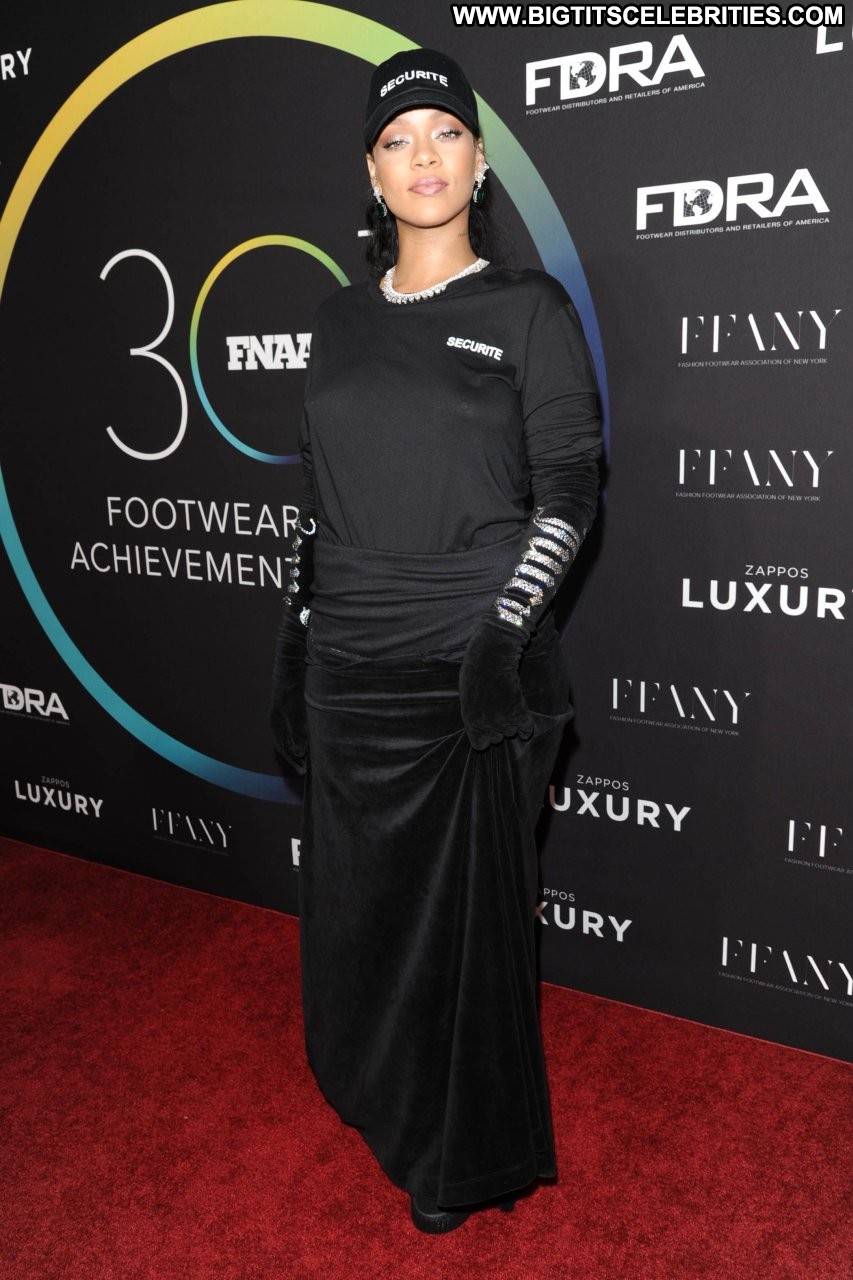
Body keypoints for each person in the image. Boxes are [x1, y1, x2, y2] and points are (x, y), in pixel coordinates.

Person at [271, 48, 602, 1235]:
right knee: (361, 918)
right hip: (350, 670)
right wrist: (298, 644)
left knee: (463, 937)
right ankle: (381, 1096)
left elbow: (569, 492)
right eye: (397, 138)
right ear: (372, 172)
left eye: (445, 133)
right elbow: (319, 502)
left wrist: (504, 635)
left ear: (478, 161)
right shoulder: (336, 320)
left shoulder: (528, 309)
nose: (423, 156)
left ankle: (453, 1153)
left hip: (472, 671)